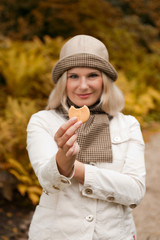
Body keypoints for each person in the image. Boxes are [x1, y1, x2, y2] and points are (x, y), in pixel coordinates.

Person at [26, 35, 146, 240]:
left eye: (92, 75)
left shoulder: (128, 125)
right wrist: (63, 159)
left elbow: (134, 191)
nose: (83, 86)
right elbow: (47, 180)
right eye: (73, 76)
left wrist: (76, 169)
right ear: (63, 81)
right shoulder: (42, 122)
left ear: (104, 80)